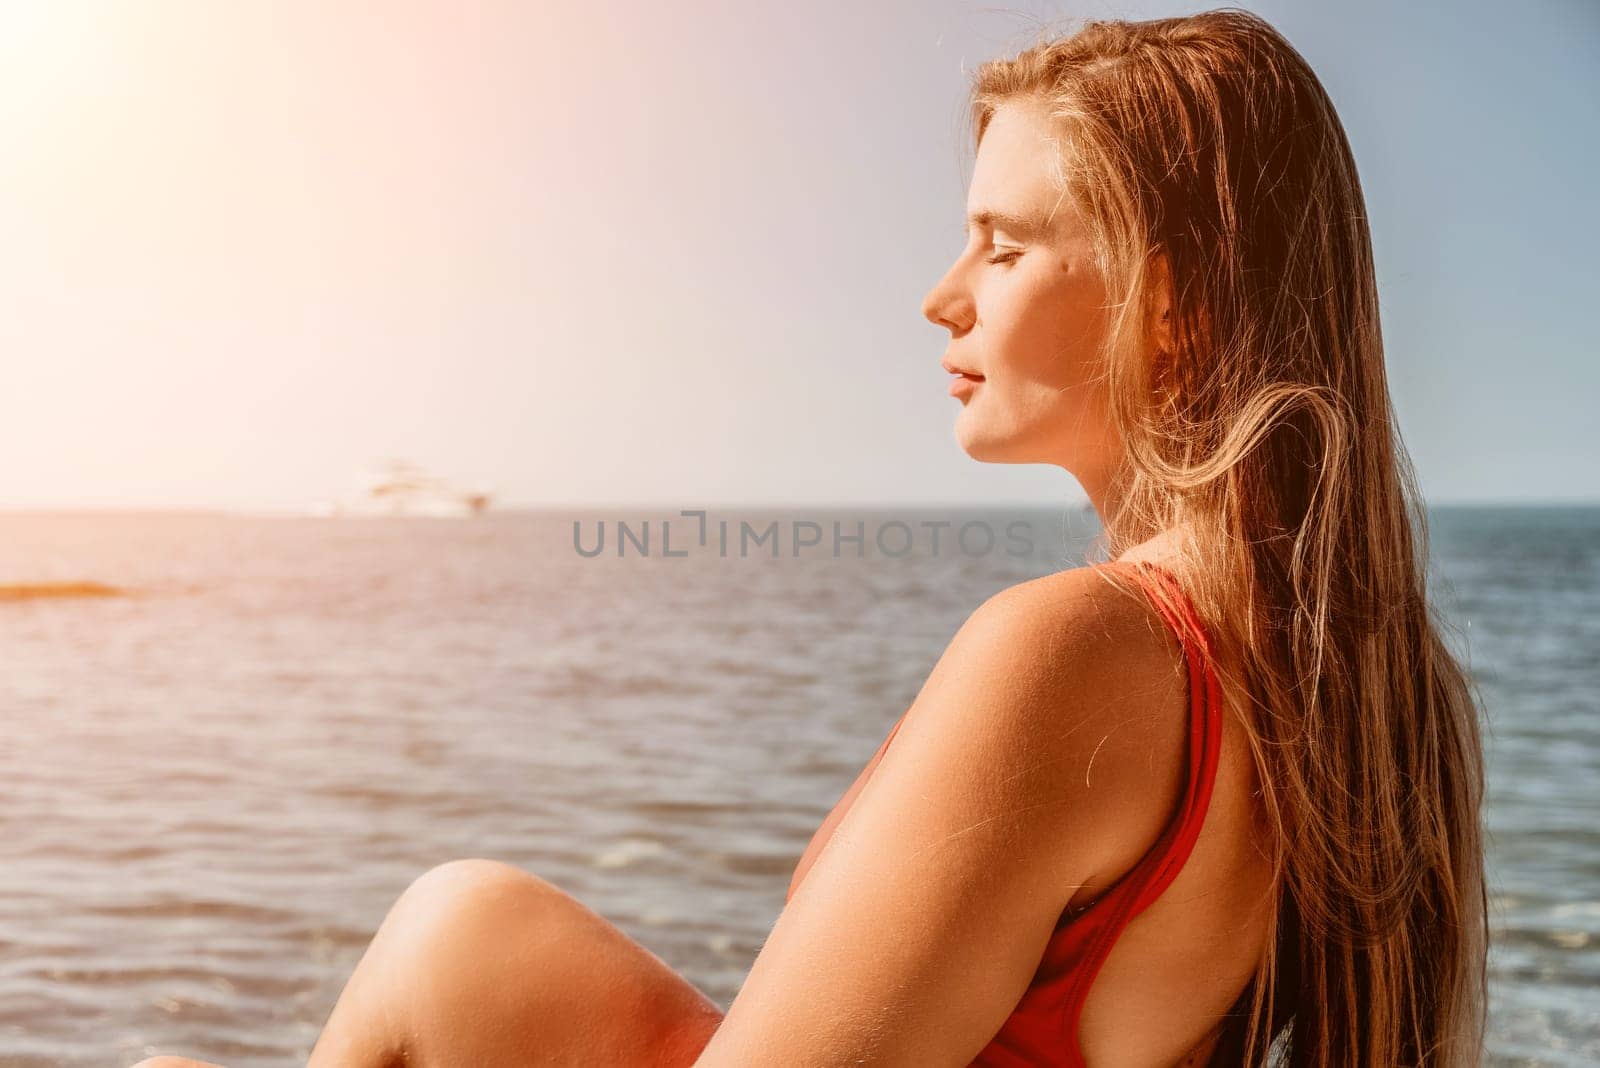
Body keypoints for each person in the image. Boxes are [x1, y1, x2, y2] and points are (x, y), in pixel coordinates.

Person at [132, 8, 1488, 1067]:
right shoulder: (1377, 689)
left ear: (1170, 305)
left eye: (1003, 249)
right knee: (460, 927)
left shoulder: (1080, 652)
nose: (938, 298)